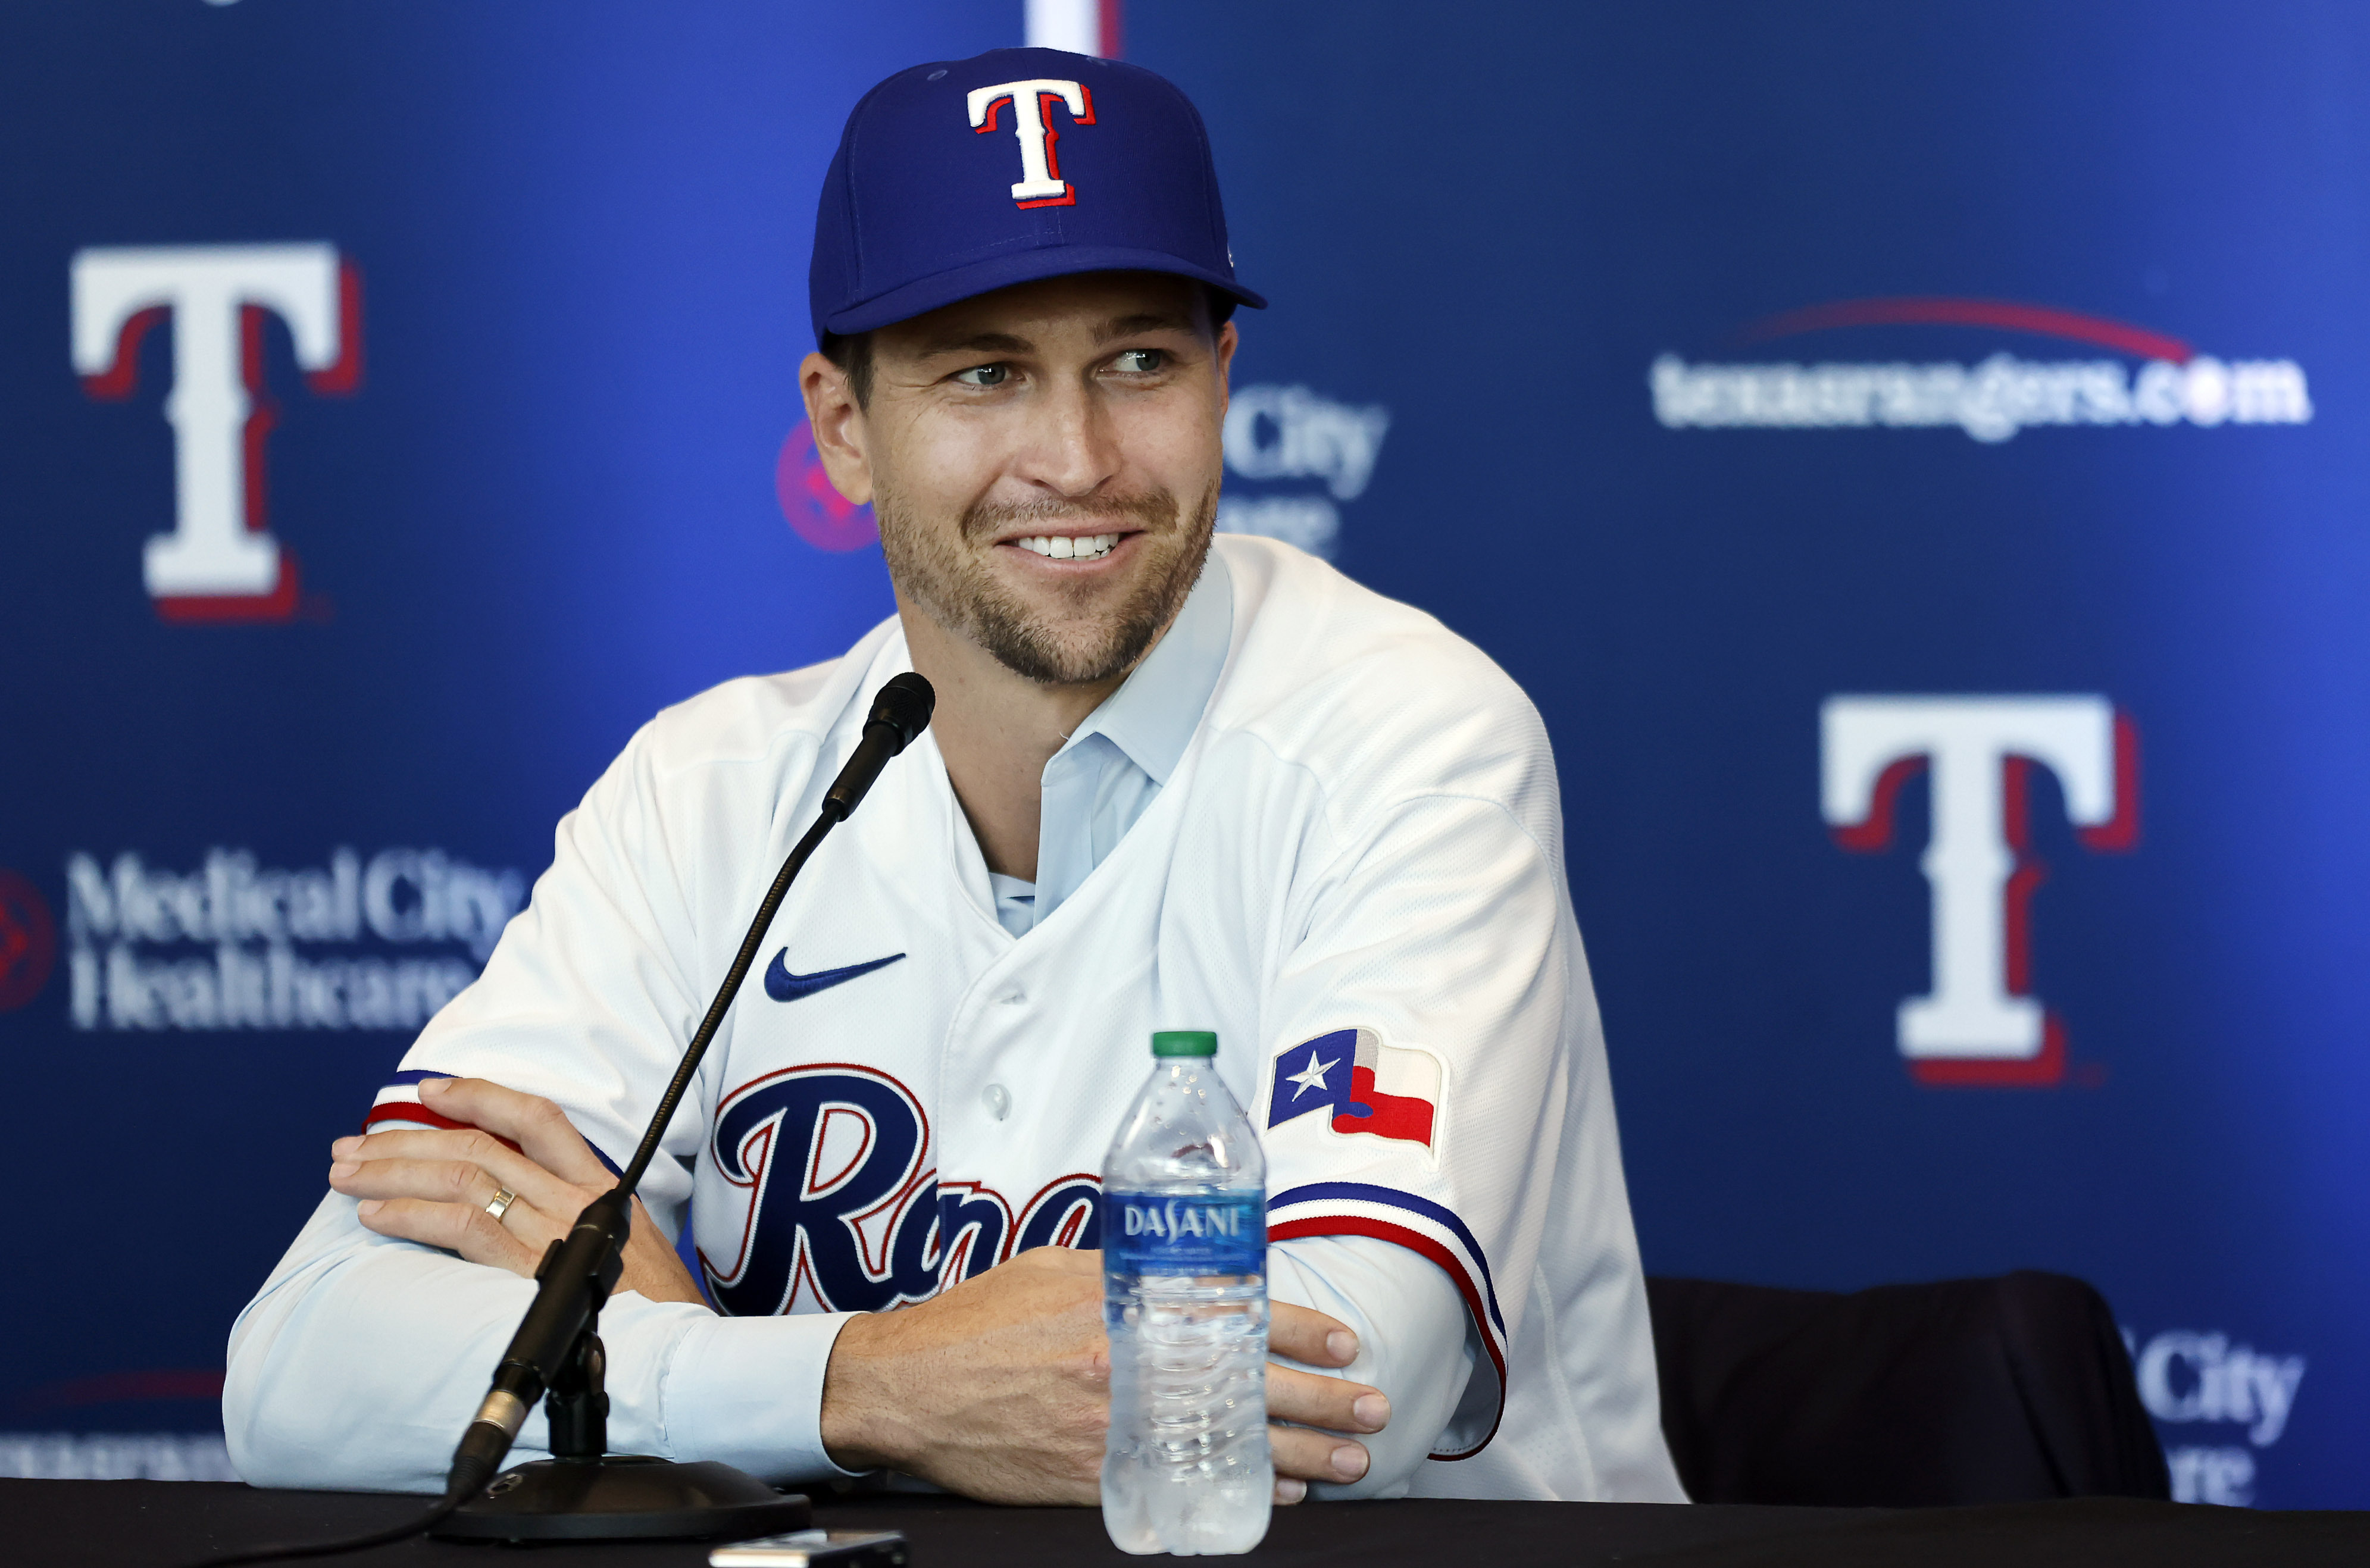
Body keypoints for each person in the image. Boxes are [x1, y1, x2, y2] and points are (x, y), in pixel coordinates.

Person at [224, 46, 1685, 1507]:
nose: (1076, 455)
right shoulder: (705, 792)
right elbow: (298, 1372)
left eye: (1139, 362)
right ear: (842, 427)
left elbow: (1328, 1392)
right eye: (985, 373)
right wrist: (856, 1385)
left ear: (1221, 381)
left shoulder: (1408, 739)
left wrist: (678, 1354)